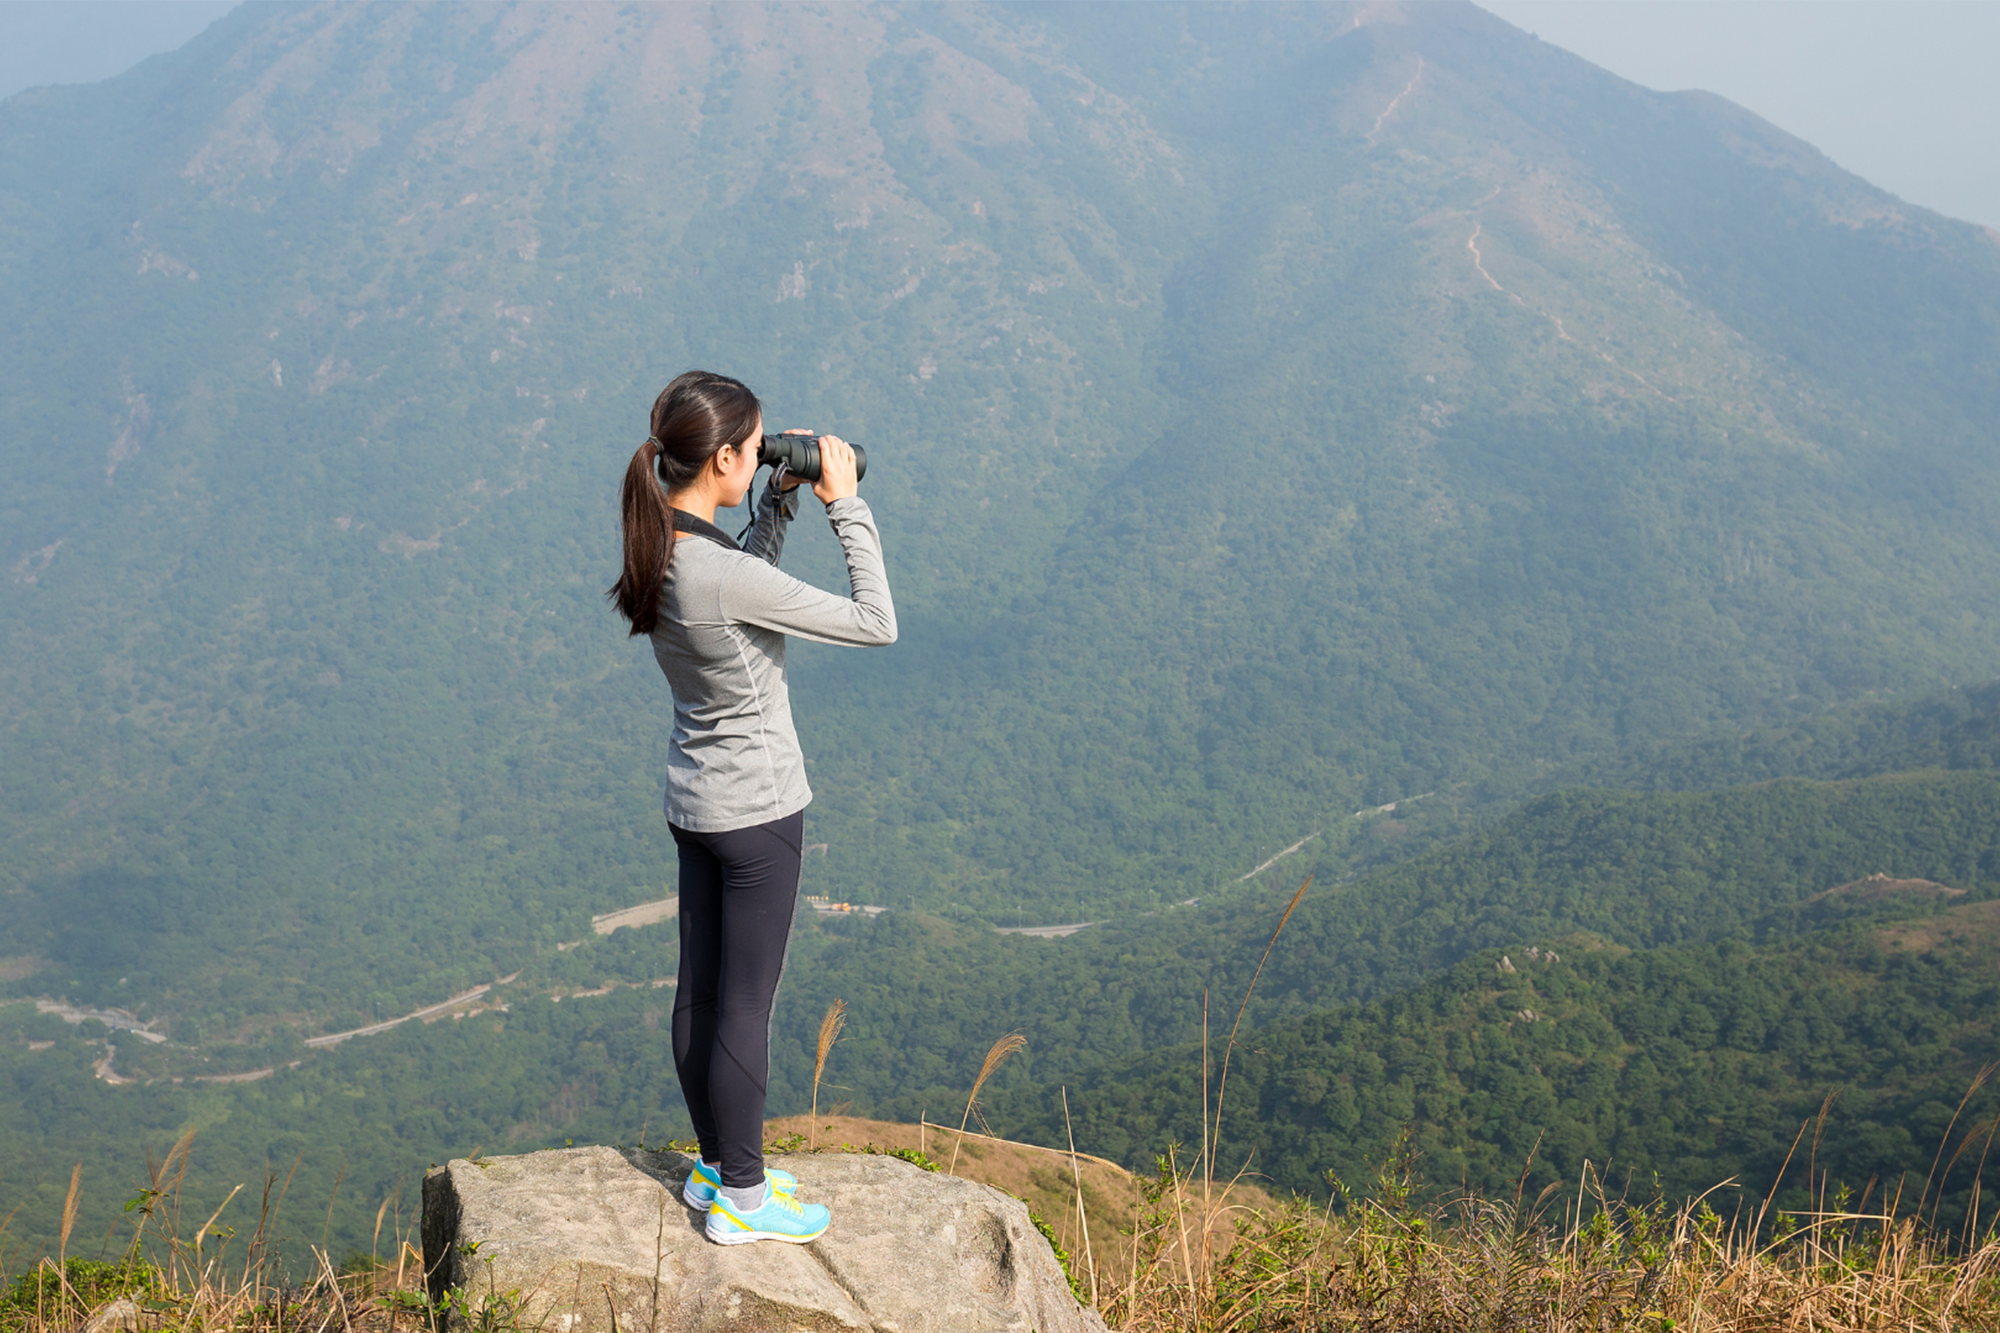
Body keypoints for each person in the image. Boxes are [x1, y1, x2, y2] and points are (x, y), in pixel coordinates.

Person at [608, 369, 896, 1245]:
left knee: (699, 990)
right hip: (760, 814)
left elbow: (737, 581)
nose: (765, 452)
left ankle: (714, 1160)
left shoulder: (660, 540)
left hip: (694, 802)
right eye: (758, 443)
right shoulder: (714, 570)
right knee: (746, 1005)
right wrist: (844, 502)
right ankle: (743, 1190)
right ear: (725, 455)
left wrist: (776, 506)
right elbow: (875, 620)